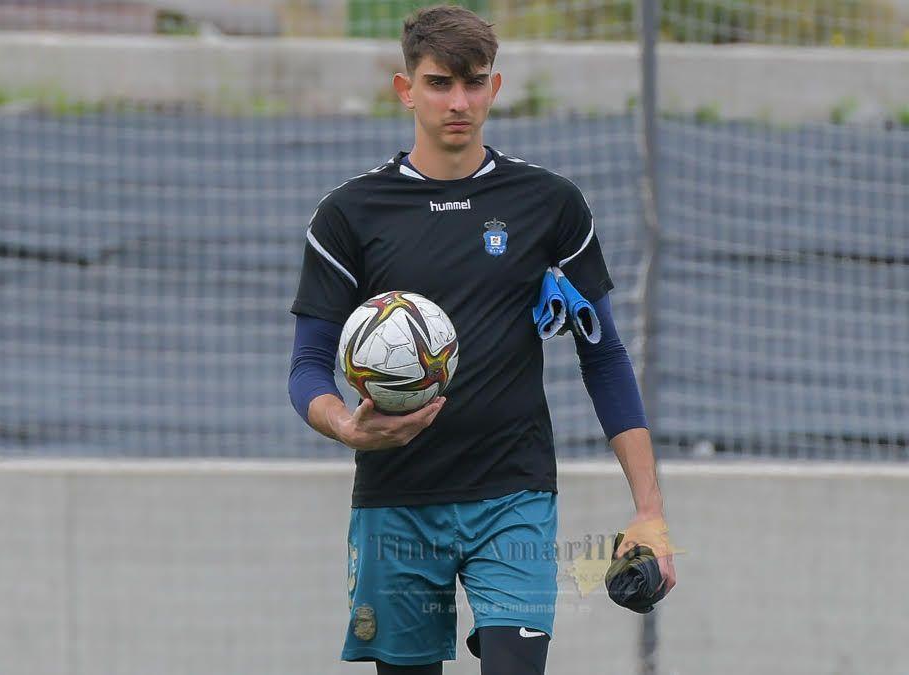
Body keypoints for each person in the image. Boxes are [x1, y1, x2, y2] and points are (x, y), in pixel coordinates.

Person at [287, 6, 676, 674]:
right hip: (398, 503)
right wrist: (345, 427)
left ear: (495, 88)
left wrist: (649, 511)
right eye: (440, 83)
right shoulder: (349, 215)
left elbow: (603, 354)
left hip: (513, 498)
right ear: (405, 89)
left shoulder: (549, 204)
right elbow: (306, 369)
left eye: (474, 82)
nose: (458, 101)